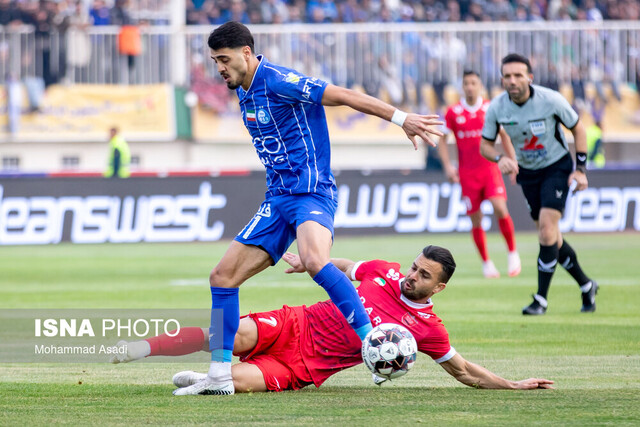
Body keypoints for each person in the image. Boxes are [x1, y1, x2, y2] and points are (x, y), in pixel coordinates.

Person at [188, 21, 444, 396]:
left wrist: (401, 118)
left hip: (311, 192)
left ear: (246, 53)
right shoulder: (245, 90)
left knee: (314, 260)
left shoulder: (279, 80)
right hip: (277, 199)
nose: (220, 68)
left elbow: (342, 95)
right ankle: (219, 374)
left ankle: (371, 341)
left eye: (224, 60)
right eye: (215, 62)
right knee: (222, 277)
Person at [111, 246, 554, 393]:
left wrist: (512, 385)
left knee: (237, 384)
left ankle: (210, 378)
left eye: (424, 276)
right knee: (226, 333)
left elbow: (464, 371)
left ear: (438, 288)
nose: (412, 276)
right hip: (295, 323)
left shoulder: (428, 330)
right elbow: (346, 267)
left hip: (304, 367)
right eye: (415, 267)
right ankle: (144, 347)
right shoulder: (383, 271)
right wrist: (312, 263)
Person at [480, 53, 598, 315]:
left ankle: (540, 300)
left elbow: (578, 129)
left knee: (546, 230)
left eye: (518, 75)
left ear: (530, 78)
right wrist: (500, 158)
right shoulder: (497, 107)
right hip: (528, 173)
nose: (512, 81)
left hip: (556, 168)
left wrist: (580, 170)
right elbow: (485, 145)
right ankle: (586, 284)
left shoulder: (550, 100)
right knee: (552, 237)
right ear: (502, 80)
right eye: (507, 76)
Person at [438, 70, 520, 278]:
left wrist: (513, 161)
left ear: (480, 86)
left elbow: (504, 135)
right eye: (466, 83)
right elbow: (442, 139)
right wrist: (447, 166)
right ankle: (486, 263)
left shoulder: (490, 108)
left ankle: (512, 254)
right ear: (462, 87)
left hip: (490, 170)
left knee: (500, 208)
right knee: (476, 219)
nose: (470, 87)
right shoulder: (453, 112)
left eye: (473, 83)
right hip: (467, 174)